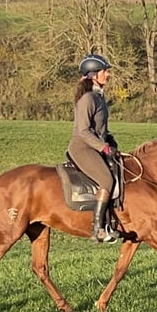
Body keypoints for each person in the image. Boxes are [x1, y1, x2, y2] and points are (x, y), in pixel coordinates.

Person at [67, 53, 122, 243]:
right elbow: (83, 131)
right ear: (92, 75)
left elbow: (99, 129)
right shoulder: (88, 99)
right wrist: (104, 148)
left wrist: (110, 141)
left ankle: (110, 223)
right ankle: (97, 229)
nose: (108, 75)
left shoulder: (99, 97)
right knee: (106, 180)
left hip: (95, 146)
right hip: (82, 148)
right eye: (104, 71)